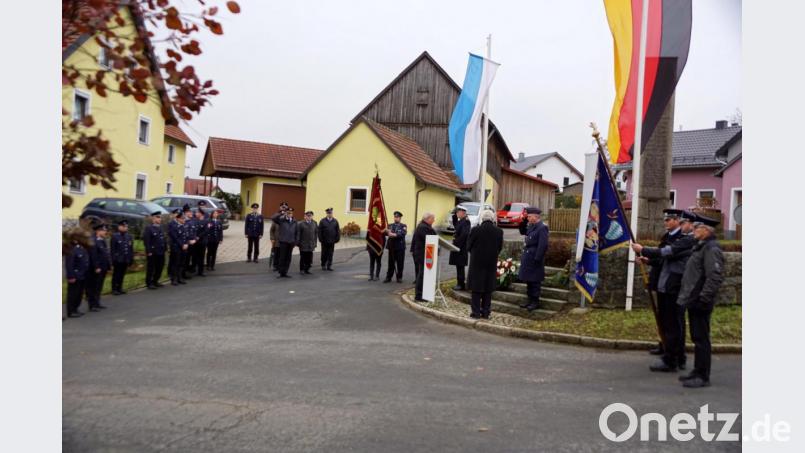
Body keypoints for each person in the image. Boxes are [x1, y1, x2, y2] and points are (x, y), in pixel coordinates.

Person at [632, 209, 697, 372]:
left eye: (683, 223)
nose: (667, 222)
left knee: (674, 324)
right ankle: (673, 355)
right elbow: (664, 259)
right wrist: (648, 260)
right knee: (670, 323)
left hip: (675, 287)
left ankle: (672, 359)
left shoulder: (687, 241)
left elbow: (667, 252)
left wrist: (643, 249)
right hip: (668, 285)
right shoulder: (681, 238)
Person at [676, 214, 724, 388]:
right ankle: (697, 371)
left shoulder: (711, 249)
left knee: (702, 339)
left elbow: (714, 276)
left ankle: (703, 376)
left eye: (697, 228)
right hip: (694, 299)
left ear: (706, 230)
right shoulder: (701, 247)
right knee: (697, 338)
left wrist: (703, 298)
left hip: (700, 301)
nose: (693, 230)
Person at [466, 210, 504, 318]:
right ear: (492, 219)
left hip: (476, 263)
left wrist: (475, 253)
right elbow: (499, 247)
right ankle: (486, 312)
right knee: (488, 289)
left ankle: (476, 312)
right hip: (491, 263)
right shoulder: (499, 231)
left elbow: (468, 246)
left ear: (482, 218)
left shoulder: (475, 230)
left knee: (476, 289)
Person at [518, 207, 549, 311]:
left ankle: (535, 302)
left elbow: (543, 245)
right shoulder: (532, 226)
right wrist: (523, 221)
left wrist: (537, 258)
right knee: (529, 281)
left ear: (536, 216)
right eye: (528, 216)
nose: (528, 218)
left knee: (535, 282)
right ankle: (529, 300)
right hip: (528, 257)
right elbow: (523, 232)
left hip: (535, 258)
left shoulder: (542, 227)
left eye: (530, 216)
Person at [65, 228, 91, 318]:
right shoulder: (72, 248)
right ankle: (71, 311)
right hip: (75, 276)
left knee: (79, 293)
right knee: (73, 294)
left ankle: (76, 308)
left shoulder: (82, 247)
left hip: (82, 274)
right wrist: (71, 276)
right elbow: (69, 264)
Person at [85, 223, 111, 312]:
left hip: (103, 267)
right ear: (98, 231)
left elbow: (105, 254)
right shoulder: (93, 240)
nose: (105, 232)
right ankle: (92, 305)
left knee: (99, 286)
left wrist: (108, 266)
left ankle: (97, 303)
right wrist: (96, 267)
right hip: (96, 268)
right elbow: (93, 255)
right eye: (104, 230)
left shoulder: (102, 240)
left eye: (105, 230)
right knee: (93, 287)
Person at [412, 212, 437, 301]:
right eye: (433, 219)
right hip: (423, 255)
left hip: (425, 254)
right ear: (428, 219)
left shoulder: (425, 226)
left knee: (423, 274)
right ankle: (419, 295)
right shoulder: (423, 227)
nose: (434, 220)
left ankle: (423, 294)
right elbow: (430, 239)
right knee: (421, 275)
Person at [142, 211, 166, 289]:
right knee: (151, 268)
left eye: (160, 217)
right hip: (153, 252)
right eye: (158, 217)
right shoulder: (149, 228)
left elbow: (163, 239)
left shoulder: (161, 227)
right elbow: (147, 241)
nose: (160, 219)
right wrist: (148, 251)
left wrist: (165, 248)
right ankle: (149, 283)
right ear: (153, 218)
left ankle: (155, 281)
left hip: (161, 251)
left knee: (160, 267)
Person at [110, 219, 134, 295]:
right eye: (123, 226)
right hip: (118, 259)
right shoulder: (115, 236)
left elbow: (130, 248)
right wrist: (113, 260)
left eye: (126, 227)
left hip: (125, 258)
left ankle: (120, 287)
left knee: (122, 274)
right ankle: (114, 289)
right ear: (119, 227)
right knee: (116, 274)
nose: (125, 228)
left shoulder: (128, 236)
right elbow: (113, 250)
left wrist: (130, 258)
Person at [449, 206, 471, 291]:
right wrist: (454, 211)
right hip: (458, 247)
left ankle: (461, 284)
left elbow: (464, 235)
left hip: (461, 248)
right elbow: (455, 223)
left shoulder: (466, 222)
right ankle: (459, 283)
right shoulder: (460, 221)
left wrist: (456, 243)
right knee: (458, 266)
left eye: (458, 212)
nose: (457, 213)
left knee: (460, 266)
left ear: (463, 212)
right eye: (457, 212)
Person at [271, 207, 297, 278]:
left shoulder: (295, 221)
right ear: (286, 213)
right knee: (282, 257)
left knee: (288, 258)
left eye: (291, 213)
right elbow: (273, 218)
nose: (289, 214)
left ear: (292, 214)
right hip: (283, 242)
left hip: (291, 242)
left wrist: (295, 242)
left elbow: (296, 232)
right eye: (288, 212)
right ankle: (281, 272)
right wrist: (281, 213)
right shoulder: (282, 220)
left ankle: (285, 272)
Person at [383, 211, 407, 283]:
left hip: (400, 247)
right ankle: (388, 277)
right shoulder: (390, 225)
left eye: (397, 217)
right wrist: (386, 231)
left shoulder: (403, 226)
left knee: (400, 263)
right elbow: (385, 233)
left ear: (400, 218)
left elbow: (402, 234)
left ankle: (399, 277)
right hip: (391, 247)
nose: (396, 218)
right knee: (391, 263)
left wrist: (392, 234)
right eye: (395, 217)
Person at [168, 209, 189, 285]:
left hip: (184, 248)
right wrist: (182, 244)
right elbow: (175, 237)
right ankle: (174, 279)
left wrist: (186, 244)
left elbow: (186, 237)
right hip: (177, 248)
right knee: (175, 263)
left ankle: (179, 278)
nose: (184, 220)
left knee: (181, 263)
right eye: (183, 219)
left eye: (184, 219)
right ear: (178, 219)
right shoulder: (174, 227)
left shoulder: (184, 227)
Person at [296, 210, 318, 275]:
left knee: (309, 258)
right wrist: (298, 243)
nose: (309, 217)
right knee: (303, 257)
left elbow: (316, 234)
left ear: (312, 216)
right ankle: (302, 269)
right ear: (305, 216)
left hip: (311, 244)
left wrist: (315, 243)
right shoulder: (301, 223)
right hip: (303, 244)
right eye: (307, 216)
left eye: (310, 216)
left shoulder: (314, 223)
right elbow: (298, 234)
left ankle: (307, 269)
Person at [269, 202, 287, 272]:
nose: (284, 209)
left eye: (285, 208)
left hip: (284, 240)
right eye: (282, 207)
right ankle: (275, 266)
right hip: (277, 240)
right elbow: (271, 230)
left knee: (282, 254)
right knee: (276, 253)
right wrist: (272, 238)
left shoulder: (287, 219)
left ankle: (281, 265)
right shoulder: (276, 219)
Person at [193, 208, 209, 277]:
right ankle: (194, 269)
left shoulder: (206, 221)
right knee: (195, 256)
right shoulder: (194, 221)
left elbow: (206, 231)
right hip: (195, 242)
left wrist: (198, 237)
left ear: (201, 214)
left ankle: (201, 271)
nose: (195, 213)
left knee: (201, 257)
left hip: (202, 242)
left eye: (197, 212)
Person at [182, 205, 197, 279]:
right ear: (185, 213)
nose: (191, 213)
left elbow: (194, 232)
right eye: (189, 212)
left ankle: (185, 272)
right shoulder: (183, 220)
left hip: (192, 243)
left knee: (188, 259)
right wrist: (188, 241)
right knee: (184, 259)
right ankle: (182, 273)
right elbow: (183, 233)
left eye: (190, 211)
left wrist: (194, 239)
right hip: (185, 243)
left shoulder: (192, 220)